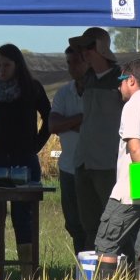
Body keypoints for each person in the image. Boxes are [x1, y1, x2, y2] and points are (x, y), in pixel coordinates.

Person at [0, 43, 51, 279]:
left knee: (24, 215)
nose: (1, 70)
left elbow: (49, 118)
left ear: (17, 65)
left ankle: (27, 273)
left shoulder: (33, 89)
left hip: (24, 159)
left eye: (6, 65)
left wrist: (36, 145)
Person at [94, 59, 140, 280]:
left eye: (121, 81)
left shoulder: (133, 107)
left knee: (106, 242)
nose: (119, 87)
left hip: (130, 191)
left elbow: (135, 147)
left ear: (132, 80)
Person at [68, 27, 124, 250]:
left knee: (113, 222)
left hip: (108, 163)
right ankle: (92, 274)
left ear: (100, 49)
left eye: (87, 47)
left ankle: (120, 273)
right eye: (80, 49)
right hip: (84, 162)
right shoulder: (87, 79)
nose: (83, 53)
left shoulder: (121, 79)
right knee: (88, 224)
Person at [49, 46, 89, 255]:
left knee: (92, 222)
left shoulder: (98, 92)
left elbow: (98, 125)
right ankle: (82, 266)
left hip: (93, 168)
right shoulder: (64, 93)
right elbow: (53, 125)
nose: (71, 67)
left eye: (75, 62)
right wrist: (81, 119)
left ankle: (97, 269)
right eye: (68, 63)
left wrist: (68, 122)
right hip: (69, 167)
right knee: (73, 223)